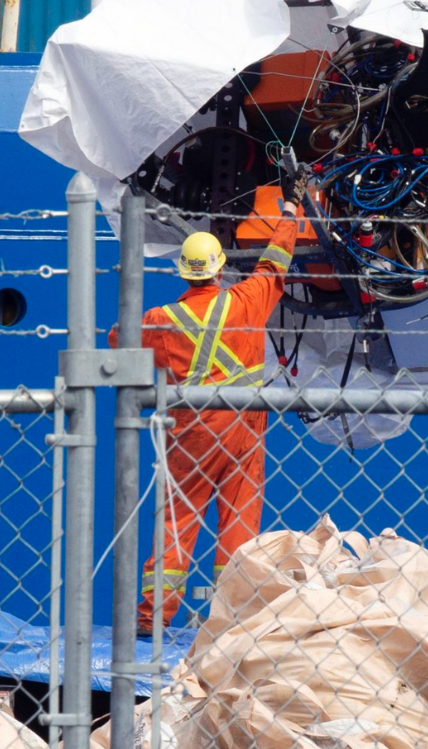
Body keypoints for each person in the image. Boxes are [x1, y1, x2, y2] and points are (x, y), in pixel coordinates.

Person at [110, 174, 302, 637]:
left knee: (178, 520)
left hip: (192, 430)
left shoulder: (162, 320)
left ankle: (152, 619)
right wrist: (292, 212)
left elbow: (118, 342)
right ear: (219, 270)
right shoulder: (246, 301)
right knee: (239, 522)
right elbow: (274, 265)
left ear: (183, 271)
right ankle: (234, 620)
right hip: (244, 427)